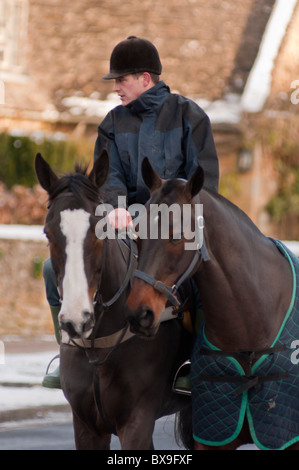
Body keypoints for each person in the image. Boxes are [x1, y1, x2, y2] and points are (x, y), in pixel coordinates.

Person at [42, 36, 219, 389]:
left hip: (177, 229)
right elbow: (108, 179)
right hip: (123, 225)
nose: (116, 88)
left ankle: (196, 363)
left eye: (121, 80)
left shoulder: (191, 116)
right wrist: (117, 210)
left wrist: (161, 218)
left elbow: (204, 185)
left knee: (206, 280)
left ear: (145, 79)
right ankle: (70, 350)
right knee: (51, 269)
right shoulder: (111, 123)